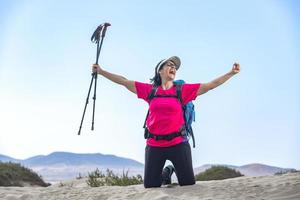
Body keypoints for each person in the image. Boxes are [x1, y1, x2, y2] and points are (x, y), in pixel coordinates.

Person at [92, 56, 240, 188]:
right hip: (154, 145)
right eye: (169, 65)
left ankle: (171, 169)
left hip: (178, 144)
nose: (173, 68)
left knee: (188, 183)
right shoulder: (150, 90)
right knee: (150, 185)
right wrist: (102, 71)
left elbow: (210, 85)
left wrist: (231, 73)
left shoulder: (181, 90)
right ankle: (166, 173)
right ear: (160, 71)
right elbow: (124, 81)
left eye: (174, 67)